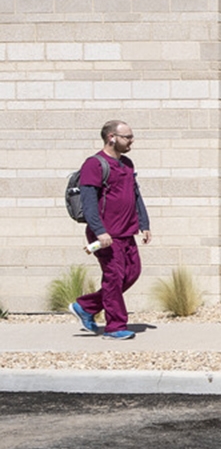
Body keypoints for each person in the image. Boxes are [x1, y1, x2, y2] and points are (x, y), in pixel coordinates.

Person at [71, 119, 151, 340]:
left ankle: (86, 306)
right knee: (113, 278)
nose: (131, 141)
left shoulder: (127, 164)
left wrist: (144, 223)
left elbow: (135, 196)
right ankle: (115, 327)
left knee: (132, 274)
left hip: (127, 232)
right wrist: (99, 231)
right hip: (106, 235)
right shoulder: (94, 164)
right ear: (111, 138)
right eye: (127, 137)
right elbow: (88, 202)